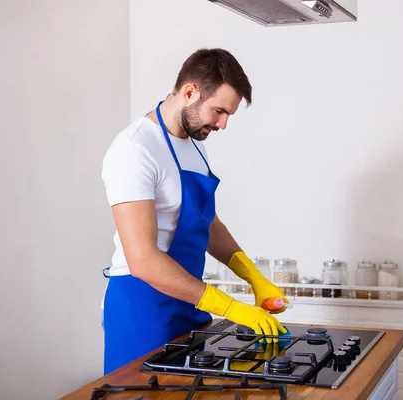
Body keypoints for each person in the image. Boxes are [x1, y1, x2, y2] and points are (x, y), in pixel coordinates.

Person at [100, 48, 288, 375]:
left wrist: (252, 276)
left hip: (189, 304)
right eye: (219, 111)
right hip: (144, 311)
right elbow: (142, 259)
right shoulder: (134, 149)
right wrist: (230, 307)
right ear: (190, 92)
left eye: (228, 114)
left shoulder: (194, 144)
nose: (223, 124)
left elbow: (206, 221)